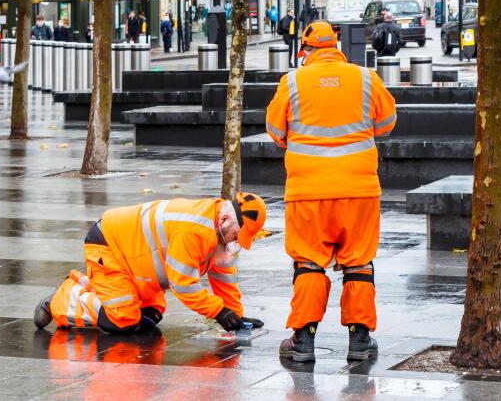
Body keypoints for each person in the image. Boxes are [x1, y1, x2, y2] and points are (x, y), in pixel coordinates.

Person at [266, 21, 397, 362]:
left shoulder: (292, 81)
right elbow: (385, 124)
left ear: (306, 50)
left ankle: (304, 342)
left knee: (308, 261)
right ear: (336, 46)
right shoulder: (367, 77)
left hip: (308, 191)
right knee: (359, 263)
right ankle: (359, 340)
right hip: (359, 189)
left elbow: (275, 129)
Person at [33, 193, 269, 335]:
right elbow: (183, 284)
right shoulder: (194, 231)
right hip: (109, 246)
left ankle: (95, 286)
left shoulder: (218, 228)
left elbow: (223, 274)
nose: (237, 241)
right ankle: (64, 297)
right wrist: (219, 312)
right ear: (226, 219)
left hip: (134, 261)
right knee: (123, 320)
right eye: (238, 235)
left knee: (150, 316)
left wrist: (236, 315)